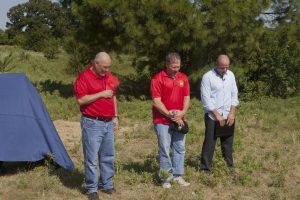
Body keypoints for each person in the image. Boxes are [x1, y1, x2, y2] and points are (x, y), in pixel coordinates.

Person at [74, 52, 119, 200]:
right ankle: (91, 188)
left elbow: (113, 97)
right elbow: (81, 100)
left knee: (108, 155)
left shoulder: (109, 77)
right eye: (104, 67)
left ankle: (107, 184)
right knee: (92, 157)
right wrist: (101, 94)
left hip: (108, 122)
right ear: (96, 63)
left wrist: (115, 116)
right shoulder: (84, 78)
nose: (107, 70)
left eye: (109, 67)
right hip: (92, 122)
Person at [150, 53, 191, 189]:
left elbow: (186, 97)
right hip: (162, 120)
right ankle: (165, 177)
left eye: (178, 66)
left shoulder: (183, 78)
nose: (176, 69)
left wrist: (182, 113)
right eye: (174, 67)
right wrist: (169, 114)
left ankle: (178, 175)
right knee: (165, 149)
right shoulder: (157, 79)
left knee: (179, 148)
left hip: (179, 119)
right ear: (167, 64)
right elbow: (156, 102)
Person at [199, 54, 239, 176]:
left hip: (228, 115)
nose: (225, 70)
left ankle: (229, 167)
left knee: (228, 142)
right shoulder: (208, 77)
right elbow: (206, 100)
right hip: (213, 116)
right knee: (210, 143)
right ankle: (205, 169)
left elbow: (234, 95)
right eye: (222, 67)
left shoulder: (231, 75)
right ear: (216, 65)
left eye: (227, 67)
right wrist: (217, 115)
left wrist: (232, 113)